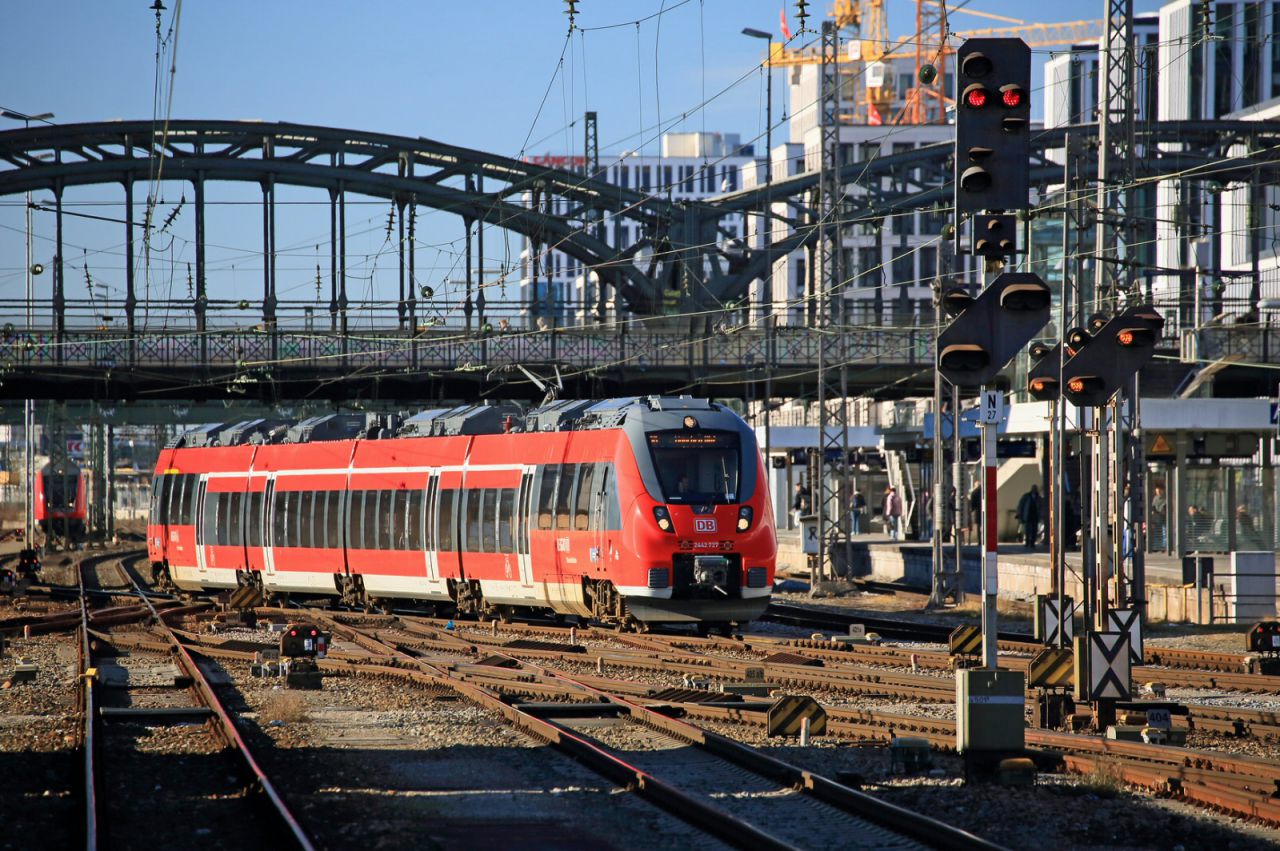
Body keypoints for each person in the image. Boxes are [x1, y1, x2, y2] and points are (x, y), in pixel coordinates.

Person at [1017, 484, 1041, 549]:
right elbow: (1021, 505)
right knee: (1027, 530)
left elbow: (1040, 507)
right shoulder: (1026, 496)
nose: (1034, 489)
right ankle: (1027, 542)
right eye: (1033, 488)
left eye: (1035, 488)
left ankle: (1032, 542)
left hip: (1035, 516)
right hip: (1028, 515)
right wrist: (1020, 514)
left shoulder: (1038, 497)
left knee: (1034, 530)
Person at [1150, 486, 1168, 552]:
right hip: (1157, 518)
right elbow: (1153, 507)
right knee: (1157, 533)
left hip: (1163, 518)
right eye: (1157, 492)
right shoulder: (1155, 499)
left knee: (1164, 533)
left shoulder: (1165, 499)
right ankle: (1157, 547)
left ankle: (1164, 547)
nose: (1158, 493)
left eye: (1159, 491)